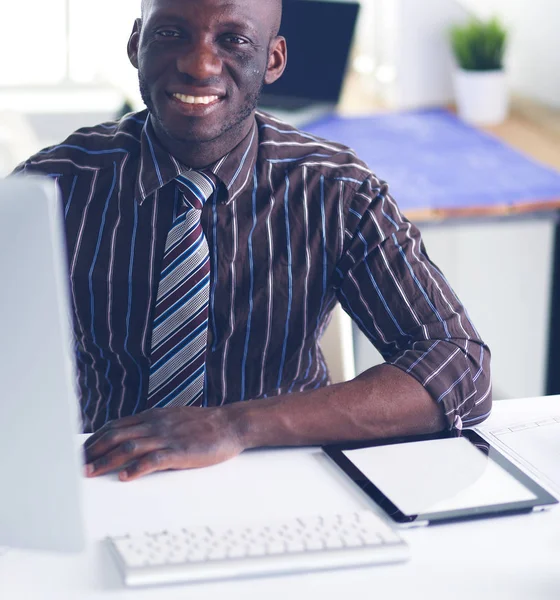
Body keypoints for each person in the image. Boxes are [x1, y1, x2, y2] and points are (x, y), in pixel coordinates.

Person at [12, 0, 491, 481]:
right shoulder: (52, 186)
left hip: (285, 474)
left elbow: (460, 367)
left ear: (274, 60)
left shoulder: (337, 191)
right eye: (170, 34)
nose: (198, 65)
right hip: (102, 475)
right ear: (136, 44)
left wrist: (235, 426)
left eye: (233, 40)